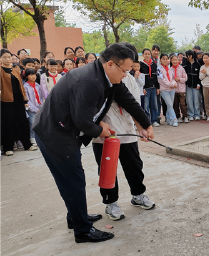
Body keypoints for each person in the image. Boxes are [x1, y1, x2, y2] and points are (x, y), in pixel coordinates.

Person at [33, 42, 153, 244]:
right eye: (124, 70)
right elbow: (82, 120)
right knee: (73, 180)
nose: (126, 75)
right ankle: (82, 230)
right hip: (55, 133)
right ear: (111, 65)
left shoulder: (106, 77)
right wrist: (100, 130)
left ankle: (76, 216)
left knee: (73, 179)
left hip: (64, 129)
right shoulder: (90, 81)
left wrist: (146, 124)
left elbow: (129, 100)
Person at [92, 48, 154, 221]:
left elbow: (133, 106)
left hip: (127, 132)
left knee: (134, 166)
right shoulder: (99, 81)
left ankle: (138, 195)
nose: (126, 73)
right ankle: (111, 203)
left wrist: (142, 127)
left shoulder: (129, 82)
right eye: (124, 69)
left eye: (129, 68)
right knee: (107, 171)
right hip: (105, 134)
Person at [0, 49, 37, 156]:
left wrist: (25, 99)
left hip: (18, 99)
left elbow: (20, 85)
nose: (8, 59)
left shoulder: (15, 70)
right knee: (8, 123)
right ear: (0, 59)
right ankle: (8, 147)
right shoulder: (0, 70)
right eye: (4, 57)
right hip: (5, 100)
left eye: (9, 57)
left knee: (22, 121)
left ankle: (27, 144)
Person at [23, 68, 44, 145]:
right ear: (27, 76)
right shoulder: (25, 86)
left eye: (34, 74)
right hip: (31, 109)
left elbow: (41, 97)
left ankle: (39, 139)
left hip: (39, 107)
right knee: (32, 124)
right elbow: (27, 99)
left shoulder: (38, 85)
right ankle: (33, 139)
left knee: (40, 123)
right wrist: (34, 109)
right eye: (31, 75)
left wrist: (41, 106)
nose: (33, 76)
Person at [140, 48, 159, 126]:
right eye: (145, 54)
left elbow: (156, 77)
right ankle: (147, 121)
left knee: (154, 105)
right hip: (146, 88)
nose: (147, 55)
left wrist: (157, 87)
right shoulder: (140, 64)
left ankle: (154, 120)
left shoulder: (154, 64)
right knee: (146, 106)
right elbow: (140, 78)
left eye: (148, 54)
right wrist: (142, 88)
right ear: (143, 55)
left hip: (153, 87)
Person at [158, 53, 178, 126]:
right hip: (164, 90)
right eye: (163, 59)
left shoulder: (170, 69)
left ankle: (169, 119)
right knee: (169, 104)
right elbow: (161, 80)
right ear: (160, 60)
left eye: (166, 59)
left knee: (170, 105)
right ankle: (174, 119)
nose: (165, 60)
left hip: (172, 89)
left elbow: (173, 78)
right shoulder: (159, 69)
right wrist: (171, 85)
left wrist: (173, 84)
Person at [171, 54, 188, 123]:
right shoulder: (170, 69)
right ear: (171, 61)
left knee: (182, 104)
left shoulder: (181, 68)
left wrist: (179, 79)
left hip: (181, 89)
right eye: (173, 60)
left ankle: (185, 116)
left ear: (178, 60)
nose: (175, 61)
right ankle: (178, 117)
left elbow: (185, 78)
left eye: (176, 60)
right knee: (175, 104)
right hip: (174, 90)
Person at [184, 50, 201, 120]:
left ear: (190, 56)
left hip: (196, 86)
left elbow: (199, 75)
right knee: (189, 100)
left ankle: (197, 114)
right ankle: (190, 114)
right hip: (188, 85)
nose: (185, 57)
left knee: (196, 100)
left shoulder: (197, 65)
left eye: (186, 55)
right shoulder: (186, 65)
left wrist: (198, 84)